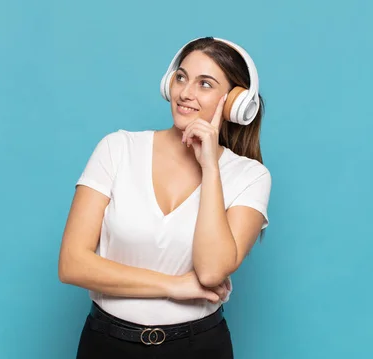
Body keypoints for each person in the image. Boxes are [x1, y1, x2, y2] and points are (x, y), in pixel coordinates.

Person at [58, 36, 272, 359]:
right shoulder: (118, 149)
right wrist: (173, 286)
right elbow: (72, 263)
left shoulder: (250, 176)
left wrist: (210, 168)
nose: (185, 93)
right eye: (182, 77)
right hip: (106, 344)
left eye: (205, 84)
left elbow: (212, 271)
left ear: (235, 104)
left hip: (198, 347)